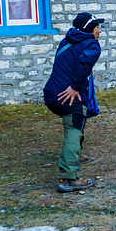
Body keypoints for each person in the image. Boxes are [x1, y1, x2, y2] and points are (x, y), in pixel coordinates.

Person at [43, 12, 104, 193]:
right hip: (68, 95)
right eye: (97, 27)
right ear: (89, 29)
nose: (99, 31)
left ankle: (75, 155)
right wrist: (76, 87)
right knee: (73, 130)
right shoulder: (92, 45)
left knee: (75, 124)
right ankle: (69, 179)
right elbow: (83, 65)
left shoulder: (66, 41)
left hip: (51, 94)